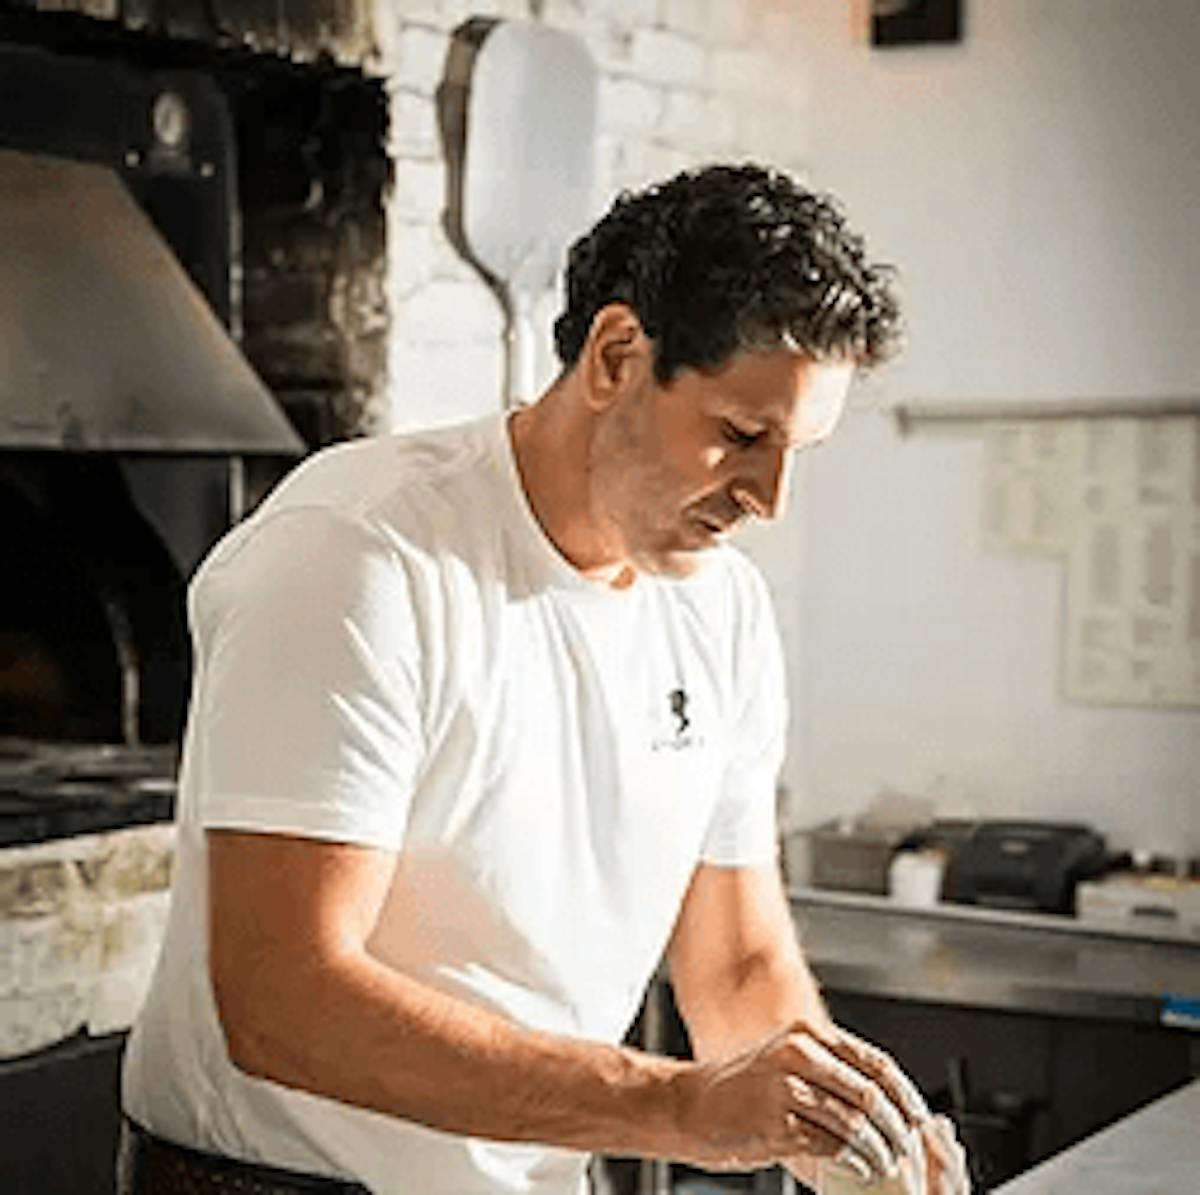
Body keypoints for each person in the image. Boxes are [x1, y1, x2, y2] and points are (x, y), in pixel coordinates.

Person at [120, 163, 970, 1195]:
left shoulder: (723, 612)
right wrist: (676, 1107)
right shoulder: (357, 555)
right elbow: (284, 998)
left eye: (799, 451)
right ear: (618, 354)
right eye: (742, 437)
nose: (770, 498)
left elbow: (737, 963)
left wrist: (846, 1131)